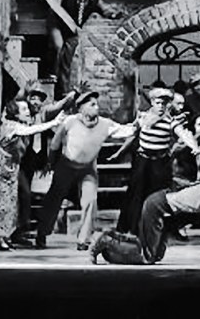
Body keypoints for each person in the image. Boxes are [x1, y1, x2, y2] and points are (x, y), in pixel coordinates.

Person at [89, 161, 200, 268]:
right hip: (158, 207)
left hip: (164, 210)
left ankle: (111, 238)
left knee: (156, 255)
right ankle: (106, 241)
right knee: (147, 257)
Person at [34, 91, 134, 250]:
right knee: (54, 198)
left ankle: (84, 239)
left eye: (97, 104)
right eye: (92, 104)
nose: (97, 107)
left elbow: (126, 130)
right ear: (81, 108)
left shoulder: (105, 124)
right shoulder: (70, 121)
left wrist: (140, 124)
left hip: (88, 168)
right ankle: (42, 232)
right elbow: (55, 143)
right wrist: (50, 162)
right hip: (67, 165)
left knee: (90, 200)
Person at [109, 86, 200, 235]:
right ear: (152, 103)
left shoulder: (170, 121)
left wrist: (194, 147)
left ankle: (156, 229)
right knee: (136, 194)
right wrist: (119, 151)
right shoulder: (143, 117)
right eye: (158, 103)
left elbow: (183, 134)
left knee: (157, 197)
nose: (160, 106)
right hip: (143, 162)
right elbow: (131, 133)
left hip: (160, 163)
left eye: (164, 104)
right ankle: (131, 229)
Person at [0, 99, 64, 250]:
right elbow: (30, 130)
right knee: (0, 202)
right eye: (23, 109)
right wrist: (53, 123)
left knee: (10, 202)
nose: (27, 112)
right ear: (15, 112)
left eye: (27, 109)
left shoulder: (19, 124)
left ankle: (5, 234)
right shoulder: (9, 125)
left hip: (10, 167)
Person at [48, 0, 123, 98]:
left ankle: (62, 90)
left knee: (67, 60)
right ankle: (52, 72)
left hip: (73, 31)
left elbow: (105, 11)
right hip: (58, 25)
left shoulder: (94, 1)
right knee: (58, 46)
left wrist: (114, 15)